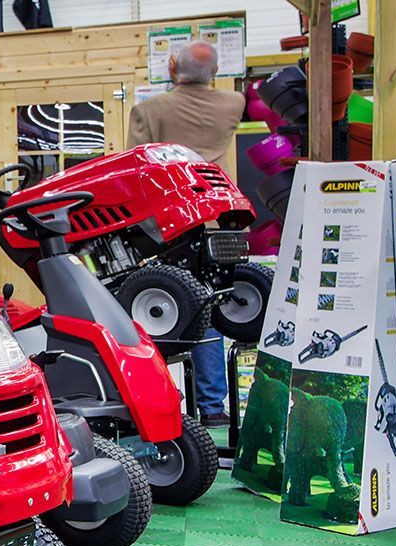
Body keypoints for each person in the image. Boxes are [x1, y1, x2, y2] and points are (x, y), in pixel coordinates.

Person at [127, 40, 245, 427]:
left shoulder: (148, 110)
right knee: (210, 310)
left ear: (173, 67)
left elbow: (136, 168)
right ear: (214, 72)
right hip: (217, 220)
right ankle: (213, 407)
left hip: (169, 226)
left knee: (159, 309)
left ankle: (160, 402)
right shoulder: (234, 104)